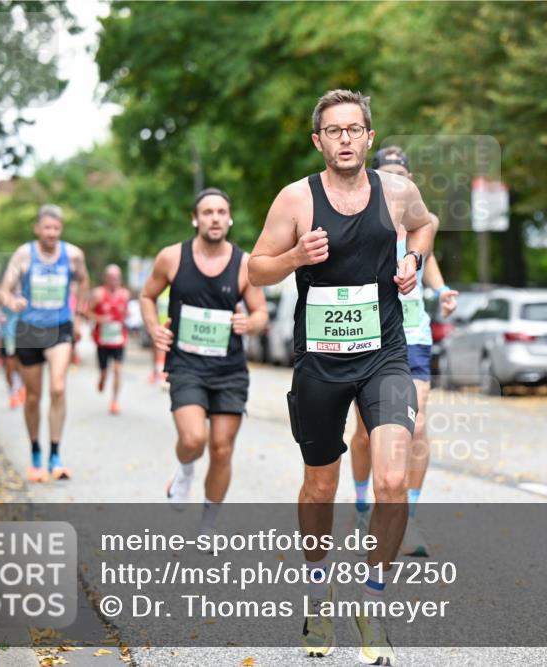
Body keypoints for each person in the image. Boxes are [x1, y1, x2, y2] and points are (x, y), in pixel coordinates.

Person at [249, 89, 434, 664]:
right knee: (320, 488)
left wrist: (413, 261)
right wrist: (294, 259)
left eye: (355, 129)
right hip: (321, 361)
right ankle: (316, 587)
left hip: (386, 354)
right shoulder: (296, 199)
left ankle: (372, 601)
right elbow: (255, 267)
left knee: (392, 480)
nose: (346, 139)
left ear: (370, 138)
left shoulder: (397, 191)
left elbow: (425, 226)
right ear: (319, 140)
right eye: (335, 131)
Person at [349, 146, 458, 558]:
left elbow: (426, 259)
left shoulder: (423, 219)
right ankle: (362, 507)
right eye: (389, 174)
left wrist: (442, 291)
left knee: (416, 425)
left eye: (403, 174)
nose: (398, 180)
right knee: (363, 433)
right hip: (367, 334)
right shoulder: (359, 214)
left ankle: (407, 517)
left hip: (412, 334)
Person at [140, 187, 267, 537]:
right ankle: (184, 471)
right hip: (186, 365)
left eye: (221, 212)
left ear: (229, 219)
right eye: (207, 212)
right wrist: (153, 328)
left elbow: (260, 313)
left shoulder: (243, 263)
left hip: (229, 370)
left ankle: (209, 523)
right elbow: (147, 296)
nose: (215, 218)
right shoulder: (172, 257)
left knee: (222, 449)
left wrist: (250, 323)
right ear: (195, 219)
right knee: (194, 439)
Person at [0, 204, 90, 482]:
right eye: (46, 228)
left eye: (56, 228)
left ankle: (56, 454)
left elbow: (84, 281)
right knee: (34, 396)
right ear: (37, 229)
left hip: (60, 328)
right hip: (29, 330)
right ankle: (36, 451)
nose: (51, 233)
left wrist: (78, 315)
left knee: (58, 387)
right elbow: (3, 289)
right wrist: (12, 301)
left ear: (60, 230)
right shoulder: (24, 255)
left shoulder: (73, 255)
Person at [87, 265, 130, 415]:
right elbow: (87, 311)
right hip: (103, 340)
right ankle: (102, 377)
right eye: (112, 278)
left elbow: (127, 312)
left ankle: (114, 401)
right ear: (106, 278)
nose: (115, 281)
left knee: (118, 370)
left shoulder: (125, 294)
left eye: (117, 278)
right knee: (105, 371)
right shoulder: (99, 294)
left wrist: (126, 316)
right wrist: (100, 318)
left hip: (118, 339)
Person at [1, 302, 25, 409]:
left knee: (22, 365)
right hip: (9, 336)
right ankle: (12, 393)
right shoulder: (3, 294)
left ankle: (21, 389)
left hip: (24, 335)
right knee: (10, 365)